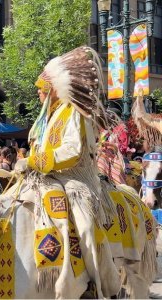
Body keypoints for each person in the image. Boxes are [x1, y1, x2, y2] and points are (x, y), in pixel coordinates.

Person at [16, 47, 120, 298]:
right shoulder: (47, 117)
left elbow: (72, 151)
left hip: (76, 180)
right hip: (45, 178)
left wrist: (33, 160)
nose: (38, 94)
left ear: (52, 89)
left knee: (84, 227)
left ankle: (98, 282)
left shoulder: (75, 111)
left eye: (41, 89)